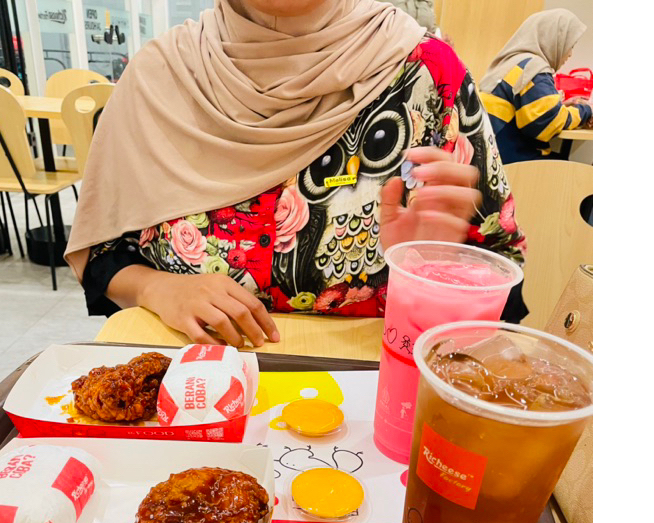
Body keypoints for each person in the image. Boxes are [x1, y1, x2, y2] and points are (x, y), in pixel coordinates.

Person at [66, 0, 527, 348]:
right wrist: (157, 287)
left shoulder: (427, 74)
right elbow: (105, 249)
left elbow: (500, 273)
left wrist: (429, 267)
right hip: (191, 390)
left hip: (371, 395)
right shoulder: (156, 76)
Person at [479, 9, 592, 164]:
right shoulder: (534, 69)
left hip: (491, 158)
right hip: (513, 164)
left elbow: (530, 112)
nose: (570, 54)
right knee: (586, 173)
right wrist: (586, 110)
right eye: (570, 46)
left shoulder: (511, 63)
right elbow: (547, 123)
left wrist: (560, 107)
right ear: (554, 40)